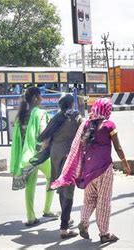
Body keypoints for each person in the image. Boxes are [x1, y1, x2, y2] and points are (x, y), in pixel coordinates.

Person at [50, 98, 131, 244]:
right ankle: (104, 233)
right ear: (106, 110)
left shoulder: (86, 124)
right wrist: (125, 163)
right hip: (104, 169)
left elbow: (79, 147)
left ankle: (84, 222)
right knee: (103, 201)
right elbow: (118, 147)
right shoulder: (109, 125)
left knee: (89, 200)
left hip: (88, 170)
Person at [9, 87, 58, 226]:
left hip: (25, 157)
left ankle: (31, 217)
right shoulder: (40, 113)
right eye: (40, 96)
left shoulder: (21, 116)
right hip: (38, 154)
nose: (42, 99)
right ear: (36, 98)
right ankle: (47, 210)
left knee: (30, 186)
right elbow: (43, 132)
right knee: (52, 177)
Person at [37, 94, 82, 239]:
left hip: (55, 155)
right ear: (71, 104)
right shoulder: (76, 117)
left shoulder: (56, 118)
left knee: (60, 188)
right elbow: (84, 135)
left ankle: (66, 219)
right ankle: (64, 228)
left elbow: (46, 138)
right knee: (68, 189)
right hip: (69, 155)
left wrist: (41, 153)